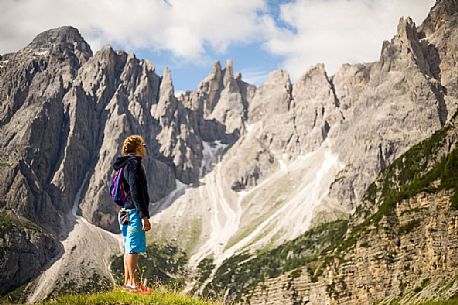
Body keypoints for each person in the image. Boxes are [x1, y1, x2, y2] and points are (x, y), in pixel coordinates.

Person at [113, 134, 151, 293]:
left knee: (129, 247)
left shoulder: (123, 164)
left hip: (124, 211)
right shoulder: (134, 164)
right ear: (137, 148)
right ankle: (134, 284)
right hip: (134, 212)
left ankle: (128, 282)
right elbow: (136, 191)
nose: (145, 148)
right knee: (133, 248)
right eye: (143, 145)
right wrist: (144, 216)